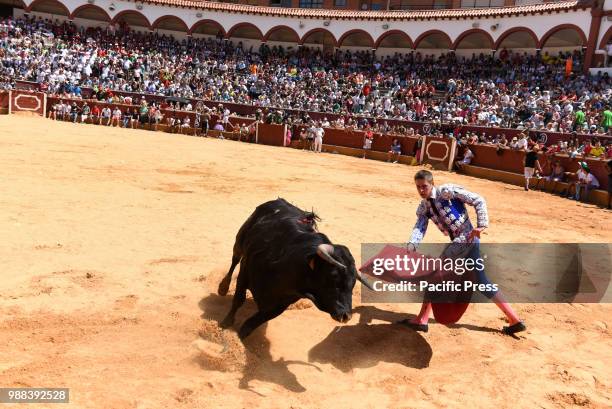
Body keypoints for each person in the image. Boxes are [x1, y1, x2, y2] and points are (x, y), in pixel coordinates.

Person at [402, 170, 525, 335]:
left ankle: (422, 319)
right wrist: (412, 244)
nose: (421, 190)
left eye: (424, 186)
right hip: (463, 243)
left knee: (435, 275)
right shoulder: (424, 206)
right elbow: (420, 226)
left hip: (465, 239)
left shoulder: (447, 192)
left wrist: (481, 224)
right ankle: (515, 320)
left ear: (432, 183)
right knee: (481, 281)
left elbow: (478, 200)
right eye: (418, 187)